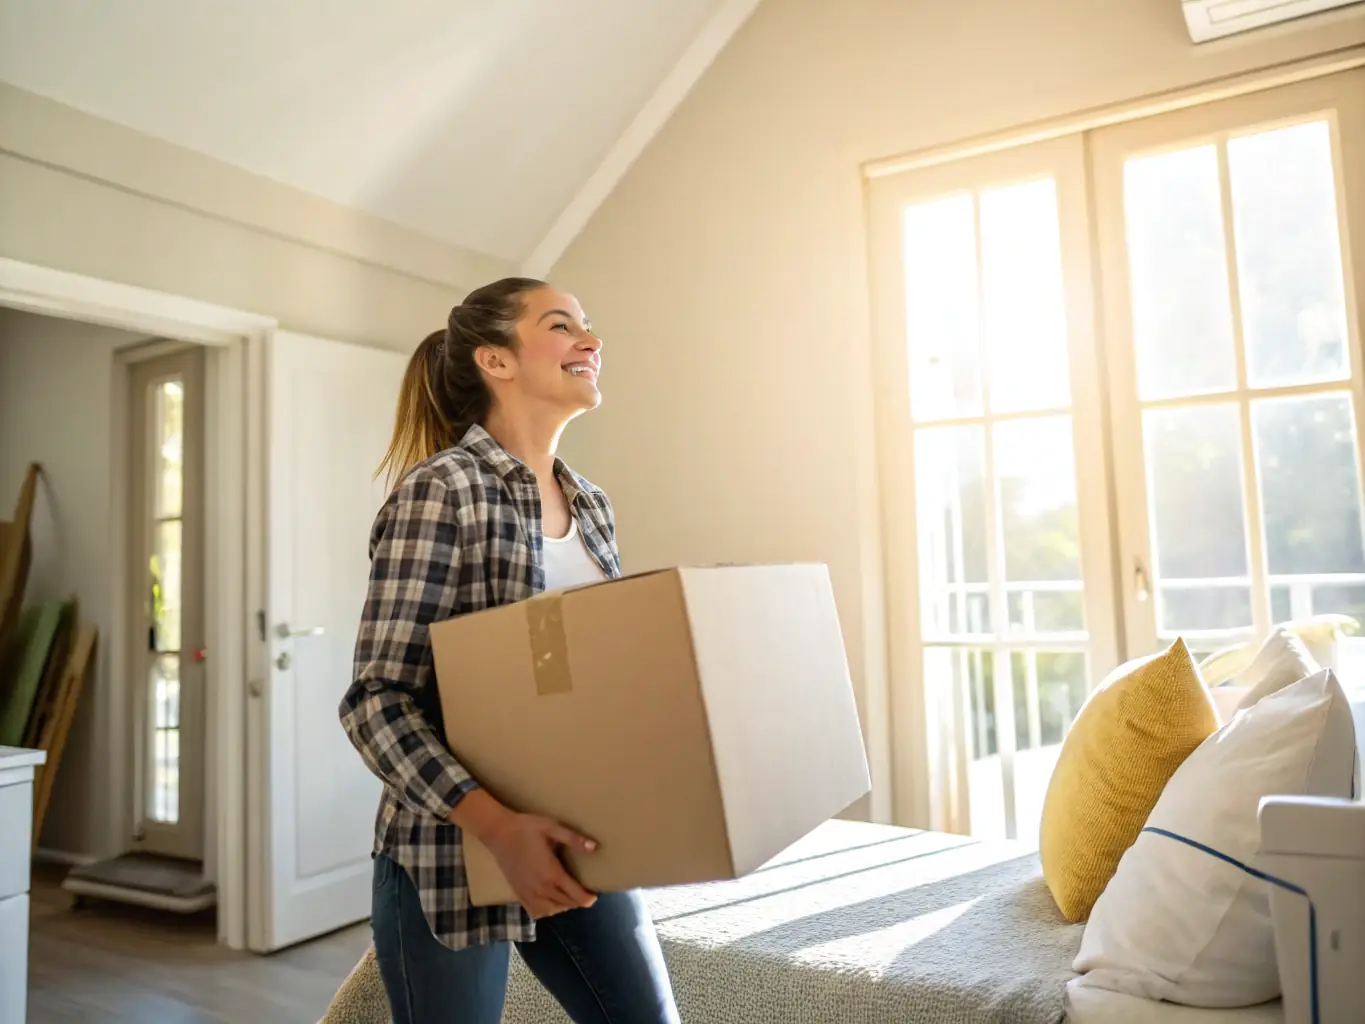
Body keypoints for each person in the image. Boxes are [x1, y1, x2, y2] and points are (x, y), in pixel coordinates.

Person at [338, 278, 680, 1024]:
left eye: (588, 325)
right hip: (448, 849)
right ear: (496, 361)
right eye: (562, 326)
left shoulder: (591, 504)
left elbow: (587, 680)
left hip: (576, 836)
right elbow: (375, 704)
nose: (591, 341)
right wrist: (498, 826)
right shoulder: (442, 492)